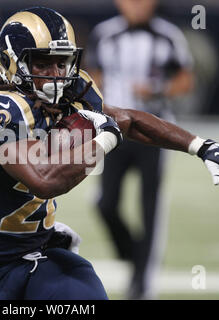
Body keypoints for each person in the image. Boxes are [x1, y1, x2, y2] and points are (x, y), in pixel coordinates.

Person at [0, 6, 219, 300]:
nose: (56, 74)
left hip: (39, 250)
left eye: (62, 62)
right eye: (42, 63)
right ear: (11, 62)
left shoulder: (70, 92)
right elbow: (43, 181)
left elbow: (129, 120)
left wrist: (201, 146)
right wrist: (103, 142)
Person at [86, 0, 194, 299]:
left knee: (150, 208)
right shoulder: (105, 34)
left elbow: (186, 80)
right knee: (105, 203)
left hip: (154, 133)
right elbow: (92, 77)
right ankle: (135, 256)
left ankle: (142, 283)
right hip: (115, 131)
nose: (136, 6)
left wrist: (157, 90)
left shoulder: (168, 35)